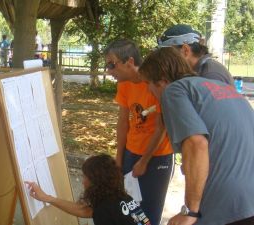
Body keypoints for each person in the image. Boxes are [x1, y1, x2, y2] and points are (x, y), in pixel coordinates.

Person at [138, 47, 254, 225]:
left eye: (148, 84)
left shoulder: (174, 91)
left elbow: (196, 143)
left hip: (227, 204)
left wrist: (189, 210)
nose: (148, 91)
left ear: (161, 81)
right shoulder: (225, 88)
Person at [104, 39, 173, 225]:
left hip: (157, 157)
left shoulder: (155, 83)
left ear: (130, 62)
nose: (108, 70)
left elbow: (162, 127)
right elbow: (123, 122)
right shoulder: (124, 84)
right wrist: (119, 158)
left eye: (112, 64)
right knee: (129, 210)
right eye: (106, 65)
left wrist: (145, 161)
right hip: (131, 154)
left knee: (148, 215)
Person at [26, 154, 151, 225]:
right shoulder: (121, 198)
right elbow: (84, 211)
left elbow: (92, 212)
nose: (82, 181)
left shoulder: (105, 211)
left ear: (96, 182)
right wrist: (47, 198)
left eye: (85, 177)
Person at [158, 24, 234, 86]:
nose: (165, 60)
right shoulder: (198, 71)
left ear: (185, 50)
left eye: (168, 54)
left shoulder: (210, 75)